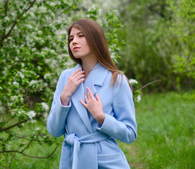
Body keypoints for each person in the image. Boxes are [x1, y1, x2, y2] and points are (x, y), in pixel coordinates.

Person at [47, 19, 137, 169]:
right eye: (71, 38)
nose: (74, 41)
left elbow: (130, 133)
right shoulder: (66, 78)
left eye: (80, 36)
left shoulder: (116, 79)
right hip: (73, 160)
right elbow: (54, 131)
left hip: (107, 162)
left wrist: (101, 117)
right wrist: (64, 97)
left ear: (95, 39)